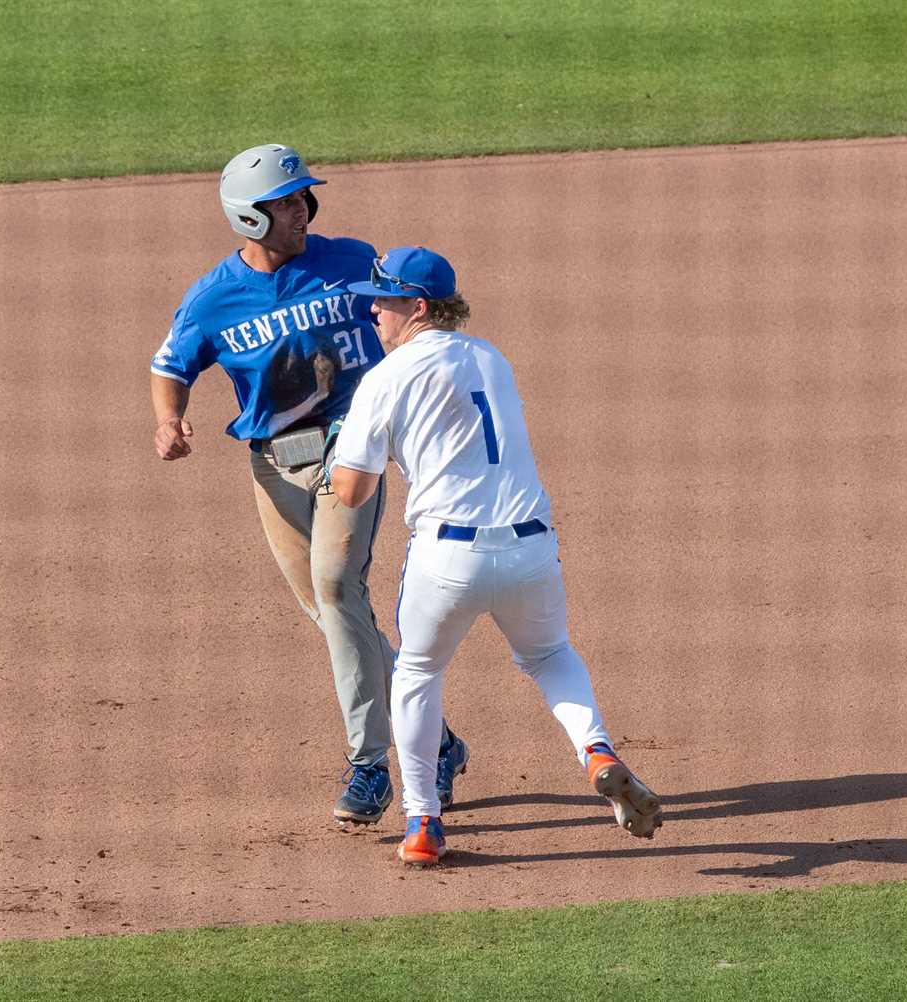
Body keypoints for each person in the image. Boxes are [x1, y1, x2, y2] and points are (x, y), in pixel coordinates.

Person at [150, 146, 469, 826]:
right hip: (274, 465)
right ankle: (438, 739)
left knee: (336, 587)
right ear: (249, 218)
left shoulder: (351, 261)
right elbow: (171, 363)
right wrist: (169, 420)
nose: (301, 210)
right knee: (334, 613)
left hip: (351, 449)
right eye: (286, 203)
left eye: (302, 199)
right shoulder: (213, 298)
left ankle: (370, 766)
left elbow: (414, 310)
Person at [330, 246, 664, 865]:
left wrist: (342, 452)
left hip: (447, 559)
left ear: (418, 307)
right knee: (550, 654)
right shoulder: (491, 358)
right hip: (531, 548)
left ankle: (422, 822)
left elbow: (353, 490)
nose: (372, 310)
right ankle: (596, 750)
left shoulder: (384, 379)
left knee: (418, 674)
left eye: (383, 299)